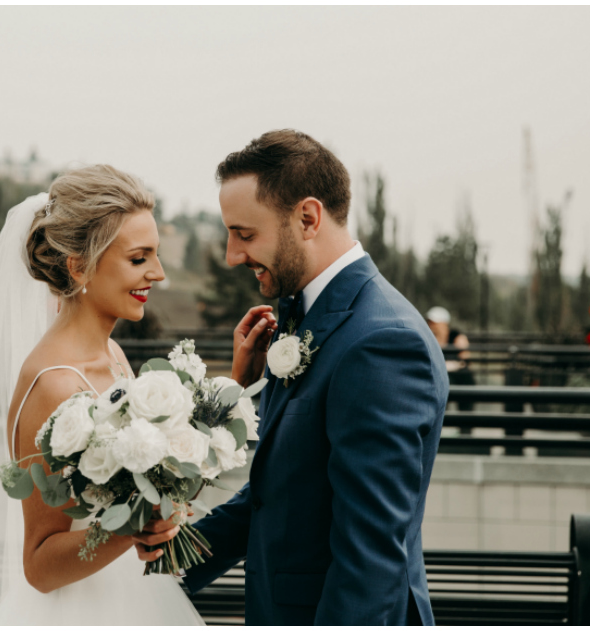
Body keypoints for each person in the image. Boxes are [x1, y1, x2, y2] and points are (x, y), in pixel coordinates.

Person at [136, 130, 448, 625]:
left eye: (244, 233)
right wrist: (161, 567)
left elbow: (370, 562)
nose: (231, 255)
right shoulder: (306, 319)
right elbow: (282, 491)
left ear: (307, 218)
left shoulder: (381, 343)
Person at [0, 165, 203, 625]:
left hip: (136, 599)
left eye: (156, 255)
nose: (159, 273)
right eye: (139, 258)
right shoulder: (51, 385)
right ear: (79, 266)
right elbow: (39, 565)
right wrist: (133, 526)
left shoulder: (113, 355)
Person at [426, 306, 475, 412]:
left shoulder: (457, 337)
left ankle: (466, 423)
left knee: (466, 381)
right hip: (439, 377)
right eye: (430, 322)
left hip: (458, 377)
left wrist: (452, 365)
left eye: (435, 322)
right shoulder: (428, 338)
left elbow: (466, 361)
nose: (432, 326)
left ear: (444, 324)